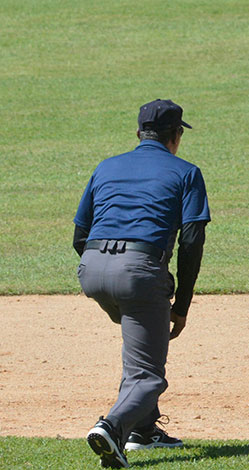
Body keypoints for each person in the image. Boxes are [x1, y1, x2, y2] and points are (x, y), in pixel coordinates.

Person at [73, 99, 210, 468]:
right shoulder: (186, 172)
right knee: (148, 374)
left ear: (138, 133)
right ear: (176, 136)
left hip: (91, 268)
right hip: (138, 273)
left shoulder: (106, 167)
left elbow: (79, 234)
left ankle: (144, 431)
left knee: (140, 342)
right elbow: (192, 242)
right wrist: (180, 305)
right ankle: (112, 428)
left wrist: (105, 272)